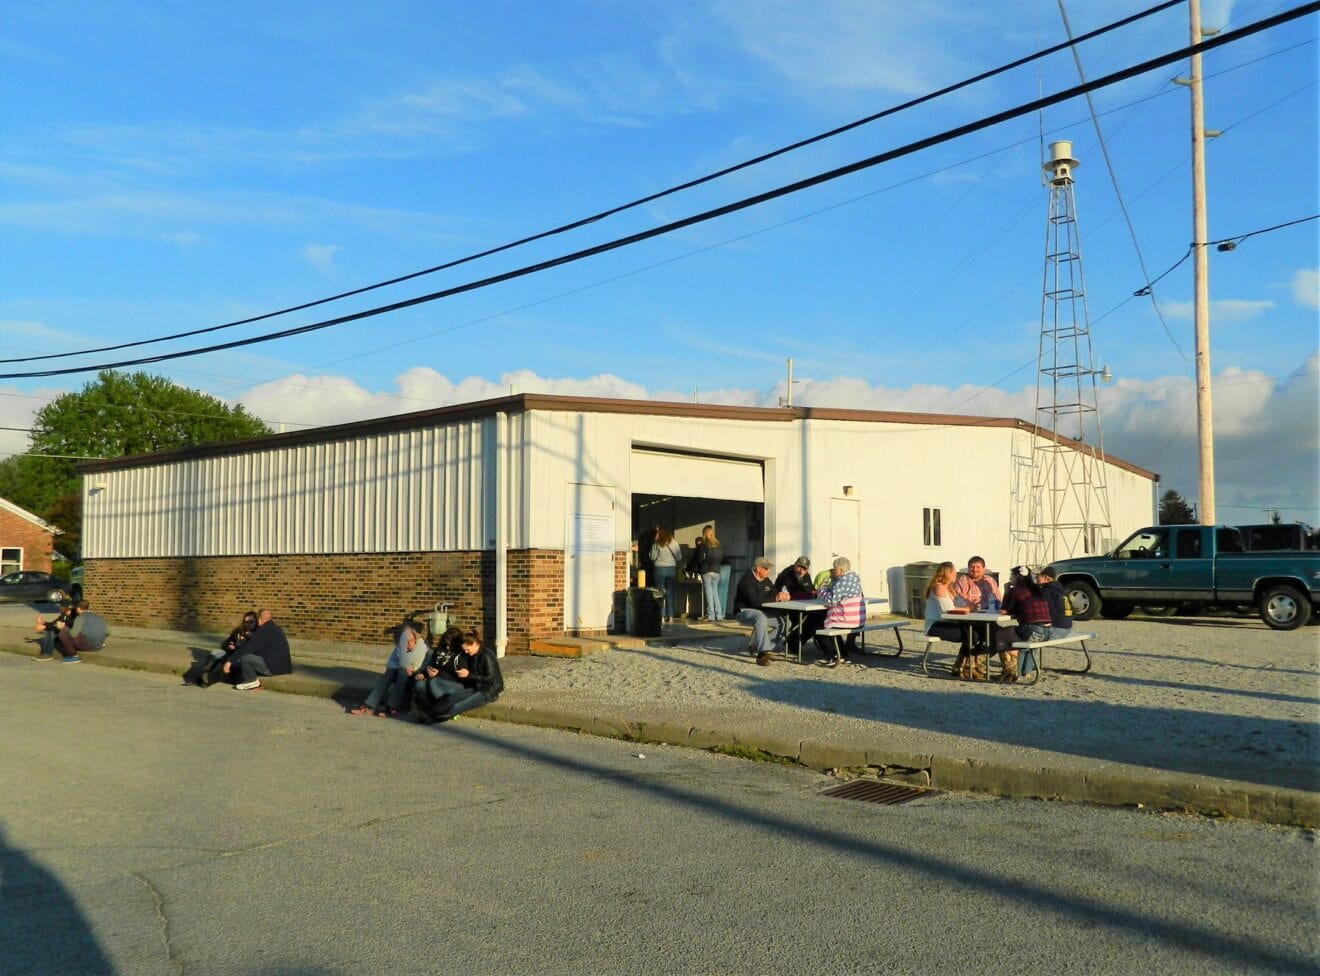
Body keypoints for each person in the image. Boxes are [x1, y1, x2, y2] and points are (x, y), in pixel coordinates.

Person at [417, 629, 504, 724]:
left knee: (459, 705)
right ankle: (428, 714)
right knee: (451, 699)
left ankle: (434, 718)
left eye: (467, 649)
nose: (466, 652)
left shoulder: (486, 655)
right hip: (475, 686)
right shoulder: (473, 655)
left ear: (474, 644)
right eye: (464, 650)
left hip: (488, 691)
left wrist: (468, 675)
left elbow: (490, 679)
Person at [348, 621, 430, 717]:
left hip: (414, 677)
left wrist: (409, 666)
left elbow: (418, 666)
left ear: (416, 639)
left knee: (403, 671)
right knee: (391, 671)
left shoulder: (422, 647)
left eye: (410, 641)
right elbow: (390, 663)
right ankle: (369, 705)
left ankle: (391, 707)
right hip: (399, 673)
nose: (407, 645)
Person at [996, 566, 1053, 683]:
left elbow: (1005, 609)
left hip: (1032, 628)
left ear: (1017, 577)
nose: (1010, 578)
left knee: (1002, 634)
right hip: (1048, 630)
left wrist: (1007, 590)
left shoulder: (1016, 590)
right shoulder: (1037, 589)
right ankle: (1026, 672)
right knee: (1031, 646)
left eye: (1011, 575)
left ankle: (1015, 673)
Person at [923, 562, 977, 679]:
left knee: (976, 632)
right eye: (954, 571)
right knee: (971, 634)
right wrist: (967, 609)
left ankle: (965, 666)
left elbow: (961, 603)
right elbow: (947, 610)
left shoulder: (950, 589)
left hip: (949, 623)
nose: (956, 574)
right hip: (936, 625)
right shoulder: (938, 587)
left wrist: (970, 605)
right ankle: (964, 667)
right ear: (947, 573)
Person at [733, 557, 787, 666]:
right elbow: (754, 600)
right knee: (760, 617)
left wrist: (783, 595)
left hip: (761, 611)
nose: (769, 571)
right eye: (766, 568)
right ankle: (762, 654)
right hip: (744, 611)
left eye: (769, 568)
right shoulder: (746, 580)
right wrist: (775, 598)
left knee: (785, 622)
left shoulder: (766, 580)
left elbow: (774, 592)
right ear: (758, 569)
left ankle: (759, 646)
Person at [813, 556, 866, 666]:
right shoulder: (854, 579)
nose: (832, 571)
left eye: (834, 569)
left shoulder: (841, 582)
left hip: (846, 619)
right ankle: (842, 653)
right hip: (858, 620)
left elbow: (830, 601)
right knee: (830, 627)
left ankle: (831, 656)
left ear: (841, 570)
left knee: (818, 628)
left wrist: (822, 590)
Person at [1027, 566, 1073, 679]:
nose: (1036, 578)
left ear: (1046, 578)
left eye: (1038, 576)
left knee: (1029, 635)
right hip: (1066, 628)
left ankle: (1026, 668)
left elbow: (1048, 612)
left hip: (1057, 629)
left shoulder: (1047, 591)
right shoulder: (1059, 589)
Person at [230, 608, 291, 691]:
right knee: (247, 659)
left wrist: (230, 661)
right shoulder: (276, 628)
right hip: (284, 667)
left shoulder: (263, 630)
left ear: (259, 620)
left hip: (273, 668)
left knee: (246, 657)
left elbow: (248, 648)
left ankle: (251, 681)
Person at [198, 611, 257, 687]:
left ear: (256, 622)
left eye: (251, 622)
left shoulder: (258, 634)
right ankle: (202, 675)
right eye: (246, 622)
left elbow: (251, 649)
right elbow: (225, 643)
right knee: (216, 653)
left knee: (224, 664)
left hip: (241, 657)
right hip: (230, 653)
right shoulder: (238, 631)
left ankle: (208, 679)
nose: (248, 624)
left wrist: (240, 644)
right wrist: (229, 644)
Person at [688, 525, 724, 621]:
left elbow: (699, 558)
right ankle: (719, 615)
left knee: (709, 593)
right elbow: (721, 558)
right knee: (715, 593)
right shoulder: (718, 544)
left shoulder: (703, 545)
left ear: (704, 533)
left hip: (706, 571)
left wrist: (694, 569)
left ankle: (711, 615)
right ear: (712, 533)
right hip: (717, 571)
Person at [649, 526, 684, 624]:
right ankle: (671, 616)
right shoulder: (674, 542)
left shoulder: (657, 543)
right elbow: (679, 557)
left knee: (660, 593)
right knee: (670, 593)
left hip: (659, 569)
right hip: (671, 569)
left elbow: (652, 557)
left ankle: (661, 616)